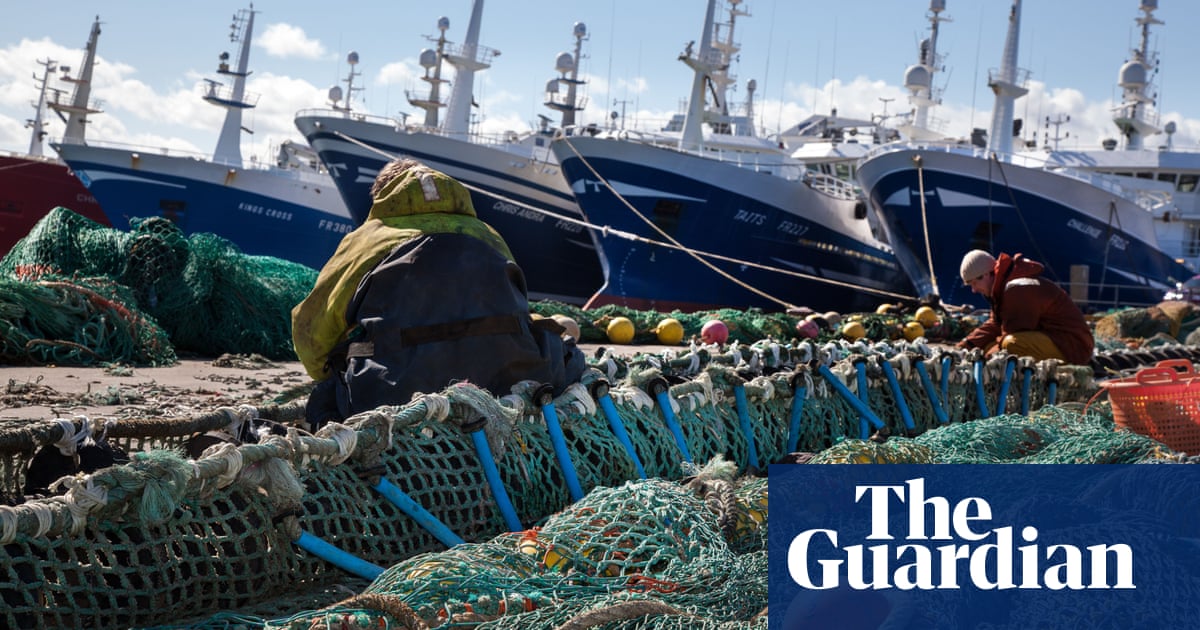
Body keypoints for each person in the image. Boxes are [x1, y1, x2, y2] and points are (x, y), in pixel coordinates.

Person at [292, 158, 586, 427]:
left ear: (381, 197)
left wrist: (328, 372)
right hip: (513, 381)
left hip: (397, 397)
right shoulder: (488, 234)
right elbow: (516, 309)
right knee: (566, 352)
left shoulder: (366, 241)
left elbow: (311, 336)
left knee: (326, 394)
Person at [956, 249, 1094, 365]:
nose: (973, 290)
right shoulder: (1004, 289)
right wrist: (966, 345)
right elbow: (996, 324)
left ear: (986, 275)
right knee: (986, 347)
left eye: (974, 283)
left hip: (1073, 347)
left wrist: (986, 360)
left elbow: (1015, 331)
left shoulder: (1017, 289)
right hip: (1054, 339)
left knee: (1011, 344)